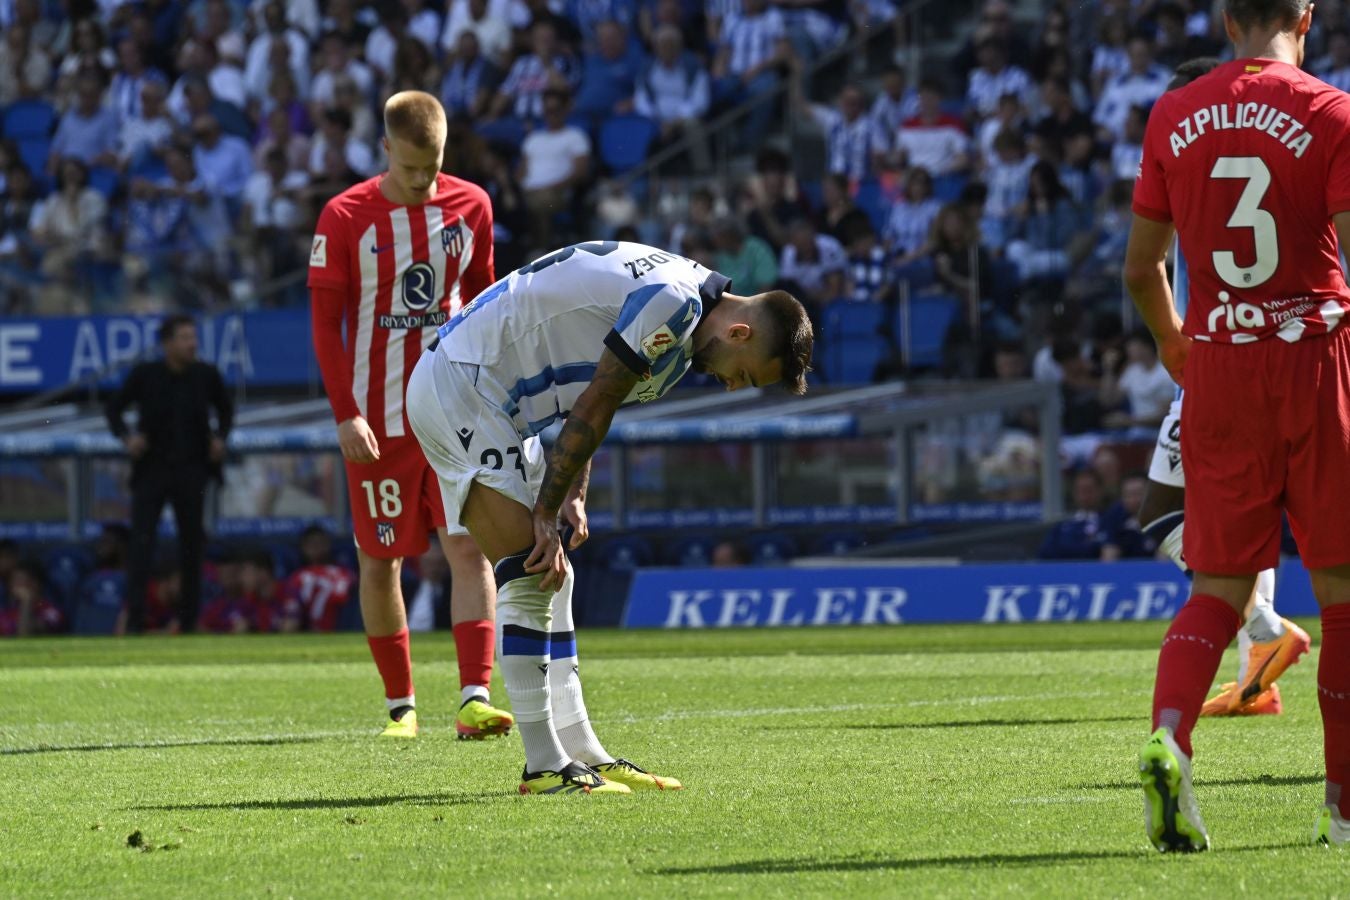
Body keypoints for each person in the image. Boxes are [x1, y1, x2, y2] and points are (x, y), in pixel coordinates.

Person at [406, 239, 813, 793]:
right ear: (739, 333)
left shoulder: (686, 317)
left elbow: (599, 397)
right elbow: (597, 398)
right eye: (746, 374)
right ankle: (544, 764)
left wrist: (571, 492)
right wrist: (546, 513)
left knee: (557, 576)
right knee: (528, 571)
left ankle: (584, 752)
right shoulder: (675, 301)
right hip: (463, 385)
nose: (733, 385)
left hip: (501, 403)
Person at [1124, 2, 1350, 851]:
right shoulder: (1332, 111)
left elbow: (1141, 268)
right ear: (1307, 14)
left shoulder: (1175, 112)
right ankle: (1343, 811)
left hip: (1217, 364)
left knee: (1216, 588)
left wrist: (1179, 347)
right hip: (1316, 359)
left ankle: (1171, 739)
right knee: (1344, 596)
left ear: (1225, 20)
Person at [308, 90, 513, 741]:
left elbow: (485, 305)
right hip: (378, 420)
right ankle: (402, 707)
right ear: (386, 149)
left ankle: (474, 698)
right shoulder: (345, 216)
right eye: (412, 167)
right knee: (380, 560)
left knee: (468, 547)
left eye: (434, 165)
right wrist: (345, 413)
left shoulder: (471, 205)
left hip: (452, 412)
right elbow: (325, 325)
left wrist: (491, 395)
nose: (424, 179)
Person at [105, 315, 233, 634]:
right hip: (152, 469)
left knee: (192, 545)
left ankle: (188, 621)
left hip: (192, 469)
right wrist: (128, 437)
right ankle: (135, 619)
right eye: (185, 338)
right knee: (141, 544)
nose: (193, 344)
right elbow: (113, 408)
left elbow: (227, 409)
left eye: (193, 337)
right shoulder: (146, 375)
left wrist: (220, 437)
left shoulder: (206, 375)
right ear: (167, 344)